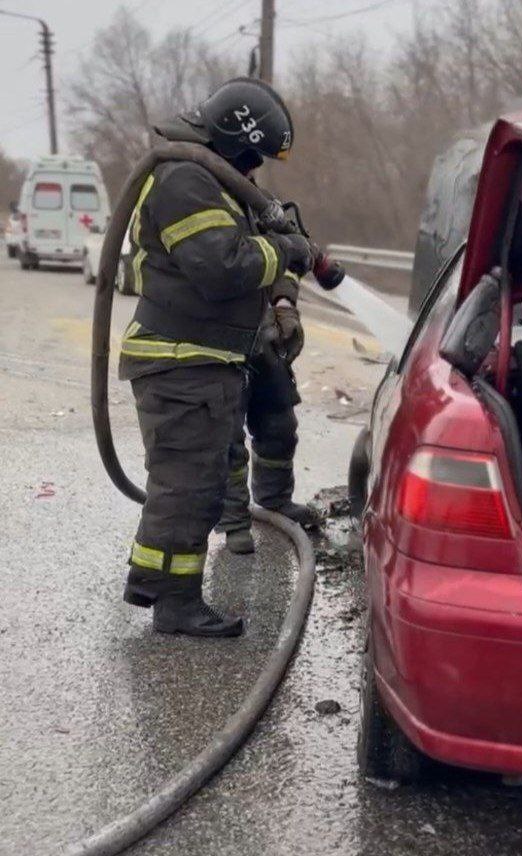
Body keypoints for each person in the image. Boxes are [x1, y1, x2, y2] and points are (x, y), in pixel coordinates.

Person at [118, 78, 313, 637]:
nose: (254, 167)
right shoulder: (184, 181)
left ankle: (161, 586)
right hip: (180, 361)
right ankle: (175, 603)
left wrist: (282, 296)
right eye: (251, 154)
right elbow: (222, 268)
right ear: (232, 138)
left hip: (203, 360)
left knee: (195, 484)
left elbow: (253, 254)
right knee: (186, 488)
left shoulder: (215, 183)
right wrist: (287, 251)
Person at [217, 244, 321, 556]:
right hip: (216, 330)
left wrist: (284, 301)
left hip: (259, 327)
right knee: (227, 432)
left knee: (279, 420)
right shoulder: (202, 203)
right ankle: (233, 520)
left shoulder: (255, 208)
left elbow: (284, 256)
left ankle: (274, 499)